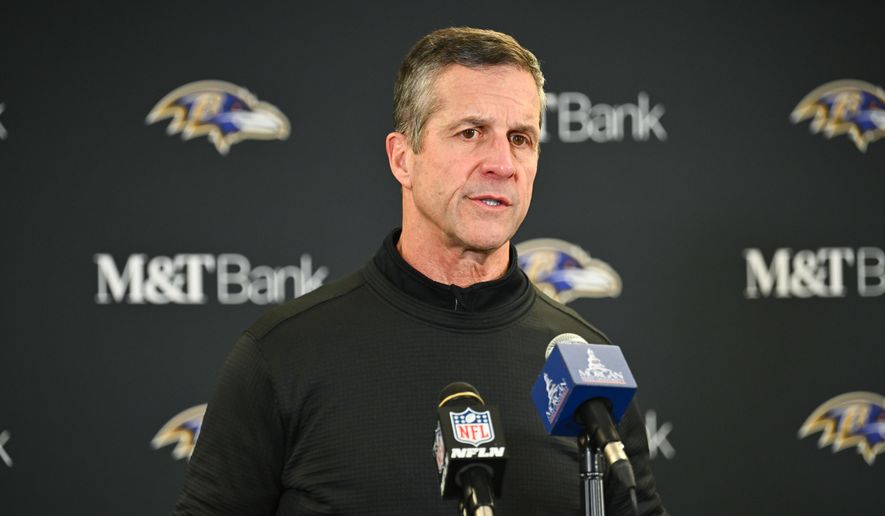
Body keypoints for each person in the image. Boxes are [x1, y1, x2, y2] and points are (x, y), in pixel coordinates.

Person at [174, 27, 667, 515]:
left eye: (521, 138)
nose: (502, 163)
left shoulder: (587, 369)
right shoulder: (282, 355)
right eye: (471, 132)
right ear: (402, 158)